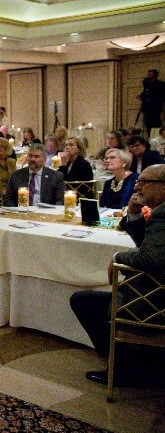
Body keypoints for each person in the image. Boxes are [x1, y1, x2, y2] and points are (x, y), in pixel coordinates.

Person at [70, 165, 165, 386]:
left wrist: (117, 257)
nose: (137, 186)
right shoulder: (159, 212)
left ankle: (123, 368)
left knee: (83, 301)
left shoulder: (162, 215)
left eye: (144, 182)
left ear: (162, 187)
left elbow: (153, 260)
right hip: (155, 292)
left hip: (153, 304)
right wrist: (133, 213)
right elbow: (150, 248)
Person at [138, 69, 165, 138]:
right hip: (147, 107)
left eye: (150, 74)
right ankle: (149, 136)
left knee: (156, 123)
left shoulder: (161, 84)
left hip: (155, 107)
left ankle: (157, 136)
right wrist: (141, 96)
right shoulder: (147, 83)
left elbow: (162, 95)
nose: (148, 75)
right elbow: (145, 92)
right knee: (147, 123)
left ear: (155, 74)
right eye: (148, 74)